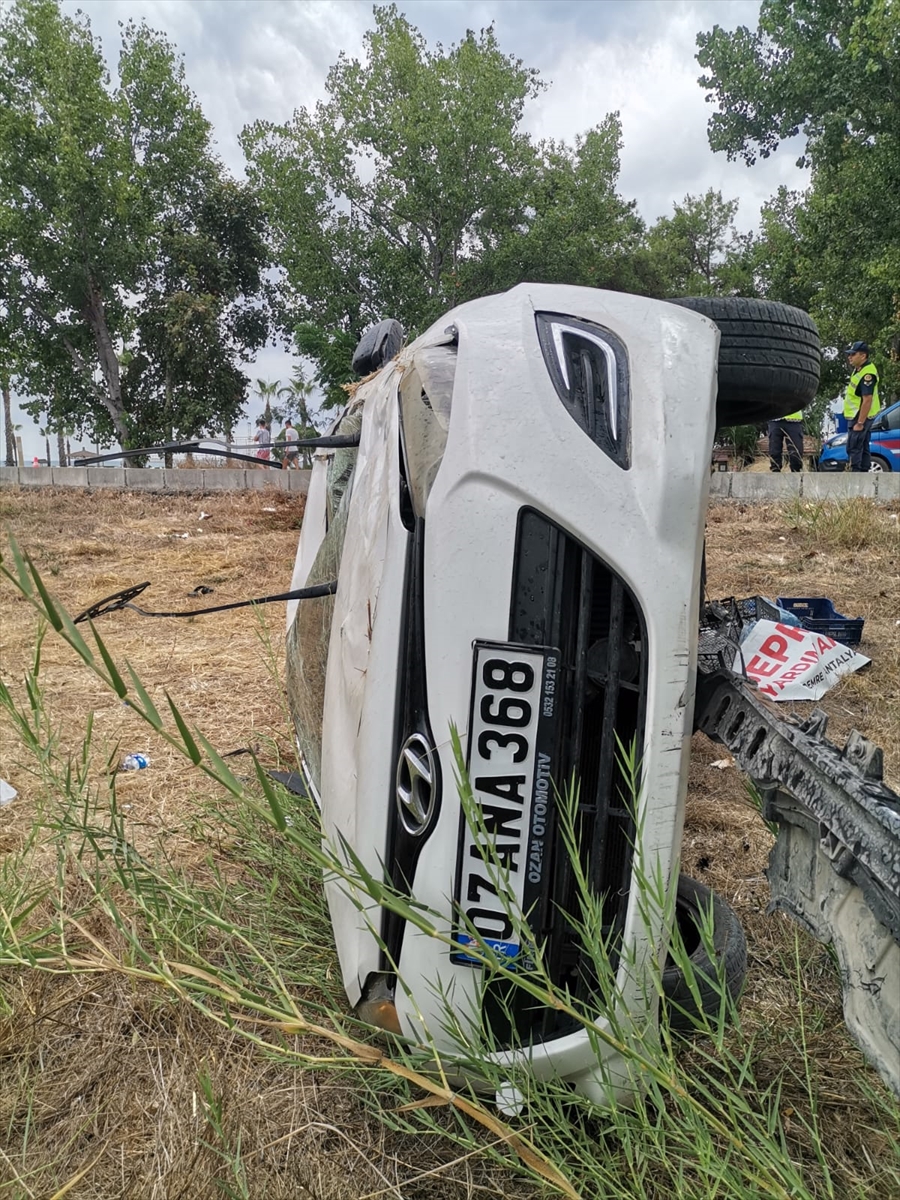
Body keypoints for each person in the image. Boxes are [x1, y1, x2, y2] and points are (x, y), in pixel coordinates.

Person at [844, 341, 881, 472]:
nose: (850, 357)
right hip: (857, 415)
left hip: (861, 416)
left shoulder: (867, 374)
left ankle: (856, 476)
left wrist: (860, 422)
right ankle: (863, 474)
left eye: (853, 354)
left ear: (863, 356)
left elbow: (867, 400)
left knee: (854, 447)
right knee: (863, 445)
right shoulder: (859, 369)